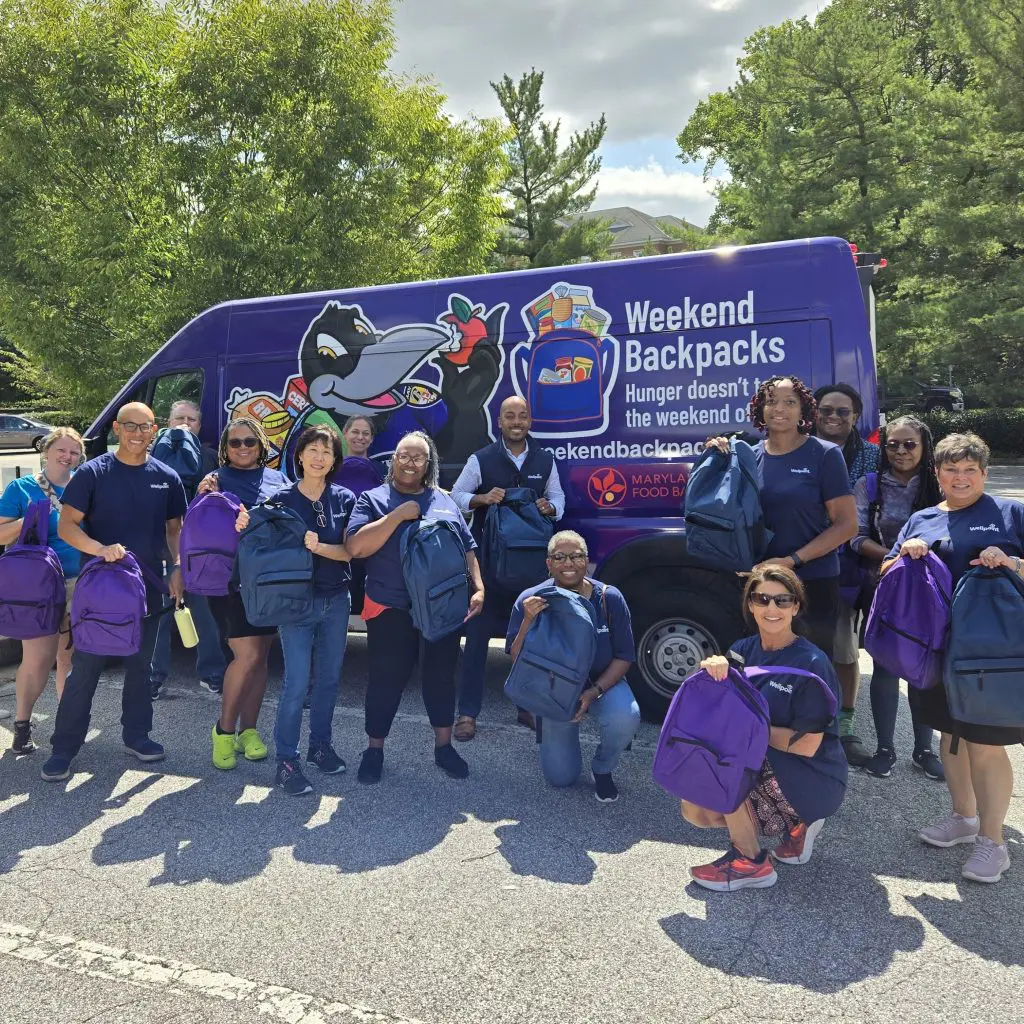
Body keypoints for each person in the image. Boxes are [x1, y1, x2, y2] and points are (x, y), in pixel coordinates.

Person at [884, 432, 1024, 884]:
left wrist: (1011, 561)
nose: (960, 478)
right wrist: (905, 554)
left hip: (989, 651)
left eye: (970, 470)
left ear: (984, 473)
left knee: (984, 742)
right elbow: (886, 570)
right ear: (938, 473)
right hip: (933, 649)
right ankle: (963, 817)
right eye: (951, 469)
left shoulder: (1009, 513)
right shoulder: (922, 518)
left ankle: (993, 842)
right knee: (950, 734)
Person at [41, 403, 187, 782]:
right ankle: (64, 748)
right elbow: (69, 525)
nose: (137, 433)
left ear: (155, 429)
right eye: (129, 426)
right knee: (85, 668)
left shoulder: (167, 477)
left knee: (141, 667)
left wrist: (176, 568)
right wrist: (98, 549)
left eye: (144, 426)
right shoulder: (93, 473)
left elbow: (175, 530)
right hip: (100, 590)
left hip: (149, 589)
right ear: (117, 430)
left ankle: (137, 736)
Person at [684, 565, 848, 892]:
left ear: (796, 607)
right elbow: (716, 710)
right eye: (762, 599)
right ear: (751, 605)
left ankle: (751, 862)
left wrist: (750, 729)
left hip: (812, 774)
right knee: (696, 811)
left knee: (728, 763)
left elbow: (807, 745)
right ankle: (795, 826)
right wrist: (711, 673)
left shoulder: (812, 664)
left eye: (782, 600)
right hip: (764, 764)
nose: (772, 608)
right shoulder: (741, 651)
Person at [345, 431, 484, 784]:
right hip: (391, 605)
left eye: (417, 457)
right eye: (403, 456)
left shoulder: (445, 500)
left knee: (440, 677)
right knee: (386, 679)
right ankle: (373, 749)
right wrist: (396, 516)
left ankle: (444, 748)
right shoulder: (372, 499)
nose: (409, 463)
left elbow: (466, 547)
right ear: (393, 460)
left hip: (442, 606)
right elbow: (356, 548)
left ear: (428, 464)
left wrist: (478, 588)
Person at [452, 396, 565, 740]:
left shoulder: (545, 460)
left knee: (529, 639)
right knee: (475, 641)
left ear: (529, 421)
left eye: (522, 416)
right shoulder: (481, 459)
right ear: (499, 422)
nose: (516, 421)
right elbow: (456, 495)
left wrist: (550, 507)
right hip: (486, 570)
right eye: (509, 416)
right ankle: (467, 714)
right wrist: (482, 499)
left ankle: (527, 708)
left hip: (530, 571)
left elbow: (559, 499)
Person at [506, 531, 640, 803]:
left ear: (587, 561)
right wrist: (528, 621)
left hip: (600, 683)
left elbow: (624, 656)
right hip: (554, 689)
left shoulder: (609, 598)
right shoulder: (530, 599)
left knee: (625, 716)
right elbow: (515, 657)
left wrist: (593, 693)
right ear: (549, 563)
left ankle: (602, 769)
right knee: (560, 779)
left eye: (577, 556)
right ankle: (554, 739)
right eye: (560, 557)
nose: (569, 563)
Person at [262, 425, 355, 796]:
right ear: (299, 455)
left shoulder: (345, 499)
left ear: (335, 460)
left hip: (336, 599)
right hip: (296, 603)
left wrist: (319, 549)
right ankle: (287, 760)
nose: (319, 457)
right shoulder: (281, 500)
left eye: (327, 452)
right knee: (296, 683)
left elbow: (350, 551)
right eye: (313, 450)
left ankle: (320, 747)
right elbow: (259, 540)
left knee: (329, 681)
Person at [850, 417, 944, 780]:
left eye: (910, 444)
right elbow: (855, 538)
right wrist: (896, 556)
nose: (901, 451)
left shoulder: (938, 486)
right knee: (886, 669)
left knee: (923, 670)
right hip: (885, 589)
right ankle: (885, 748)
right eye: (893, 445)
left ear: (924, 447)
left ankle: (924, 749)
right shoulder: (869, 485)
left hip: (931, 593)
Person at [195, 417, 288, 772]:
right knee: (246, 655)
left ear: (261, 445)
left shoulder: (278, 479)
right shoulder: (215, 481)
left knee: (262, 657)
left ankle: (248, 731)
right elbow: (199, 529)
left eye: (250, 442)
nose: (243, 448)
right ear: (225, 448)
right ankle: (223, 730)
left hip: (269, 579)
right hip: (229, 580)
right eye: (235, 443)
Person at [0, 428, 85, 753]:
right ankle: (22, 726)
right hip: (35, 587)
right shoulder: (21, 488)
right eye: (62, 451)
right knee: (37, 659)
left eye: (74, 453)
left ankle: (66, 727)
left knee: (67, 658)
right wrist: (28, 520)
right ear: (46, 452)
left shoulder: (84, 485)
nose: (67, 457)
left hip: (78, 582)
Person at [813, 384, 881, 766]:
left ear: (856, 416)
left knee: (842, 648)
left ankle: (845, 724)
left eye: (842, 412)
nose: (834, 418)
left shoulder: (873, 456)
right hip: (804, 563)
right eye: (826, 411)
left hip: (848, 566)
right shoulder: (802, 449)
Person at [149, 399, 225, 699]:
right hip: (163, 546)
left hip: (199, 548)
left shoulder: (209, 458)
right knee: (162, 612)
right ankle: (154, 676)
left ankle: (212, 673)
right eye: (179, 417)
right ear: (167, 422)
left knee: (204, 612)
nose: (184, 424)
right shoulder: (153, 456)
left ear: (199, 425)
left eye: (191, 420)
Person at [334, 415, 385, 617]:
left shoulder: (381, 471)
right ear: (345, 434)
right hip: (336, 546)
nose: (360, 437)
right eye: (355, 431)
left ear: (372, 439)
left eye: (366, 433)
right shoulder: (329, 468)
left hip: (369, 547)